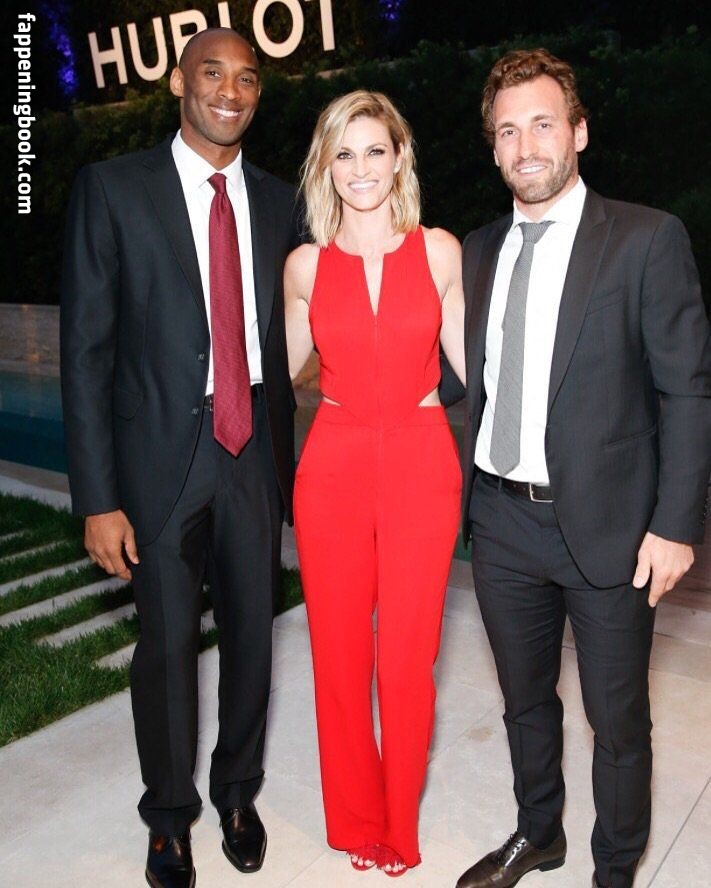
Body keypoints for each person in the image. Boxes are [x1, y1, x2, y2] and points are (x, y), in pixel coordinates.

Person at [448, 49, 711, 888]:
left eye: (542, 124)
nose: (525, 145)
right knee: (524, 701)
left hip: (609, 527)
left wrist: (674, 525)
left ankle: (614, 867)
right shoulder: (476, 250)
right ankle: (539, 834)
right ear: (492, 147)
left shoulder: (643, 238)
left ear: (579, 132)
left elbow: (686, 390)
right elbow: (461, 380)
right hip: (500, 521)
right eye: (506, 131)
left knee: (616, 718)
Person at [60, 28, 302, 888]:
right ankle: (168, 819)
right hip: (160, 460)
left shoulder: (280, 201)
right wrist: (98, 498)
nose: (230, 91)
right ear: (177, 82)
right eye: (212, 73)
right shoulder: (113, 189)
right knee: (165, 650)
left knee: (253, 642)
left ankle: (237, 794)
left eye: (247, 78)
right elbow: (85, 353)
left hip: (254, 454)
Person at [284, 90, 465, 876]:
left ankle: (397, 824)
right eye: (344, 153)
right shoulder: (304, 266)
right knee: (338, 654)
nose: (360, 168)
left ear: (399, 158)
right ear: (326, 165)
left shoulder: (439, 251)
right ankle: (355, 820)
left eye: (374, 151)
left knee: (406, 660)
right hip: (332, 466)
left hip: (422, 463)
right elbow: (267, 372)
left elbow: (483, 370)